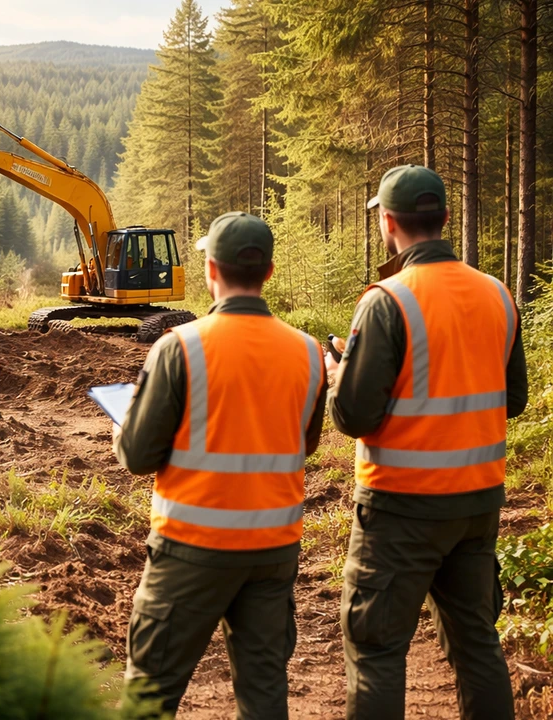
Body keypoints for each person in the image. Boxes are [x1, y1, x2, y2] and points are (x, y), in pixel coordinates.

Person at [327, 165, 527, 720]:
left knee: (377, 649)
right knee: (477, 645)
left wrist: (339, 371)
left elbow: (353, 415)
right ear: (443, 219)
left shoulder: (387, 300)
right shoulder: (497, 294)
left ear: (389, 223)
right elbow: (513, 400)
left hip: (401, 508)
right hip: (478, 505)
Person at [114, 211, 326, 718]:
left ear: (210, 268)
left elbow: (139, 456)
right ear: (269, 272)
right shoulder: (309, 351)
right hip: (273, 551)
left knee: (150, 692)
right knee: (264, 693)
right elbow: (307, 443)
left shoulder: (179, 347)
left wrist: (122, 427)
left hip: (192, 548)